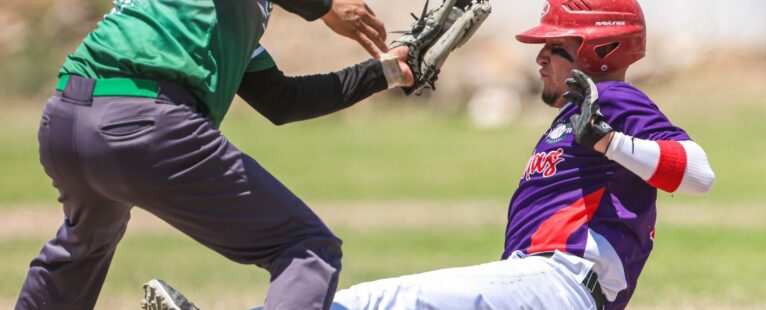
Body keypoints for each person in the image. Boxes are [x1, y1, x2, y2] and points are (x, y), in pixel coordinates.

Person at [143, 0, 716, 309]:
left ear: (600, 48)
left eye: (555, 46)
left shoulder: (613, 100)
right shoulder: (577, 117)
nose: (540, 57)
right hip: (542, 287)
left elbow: (697, 172)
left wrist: (611, 141)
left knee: (375, 303)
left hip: (558, 285)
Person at [15, 0, 416, 309]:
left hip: (66, 120)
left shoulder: (224, 17)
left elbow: (283, 101)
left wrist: (384, 73)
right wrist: (327, 7)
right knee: (306, 247)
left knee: (83, 247)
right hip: (141, 123)